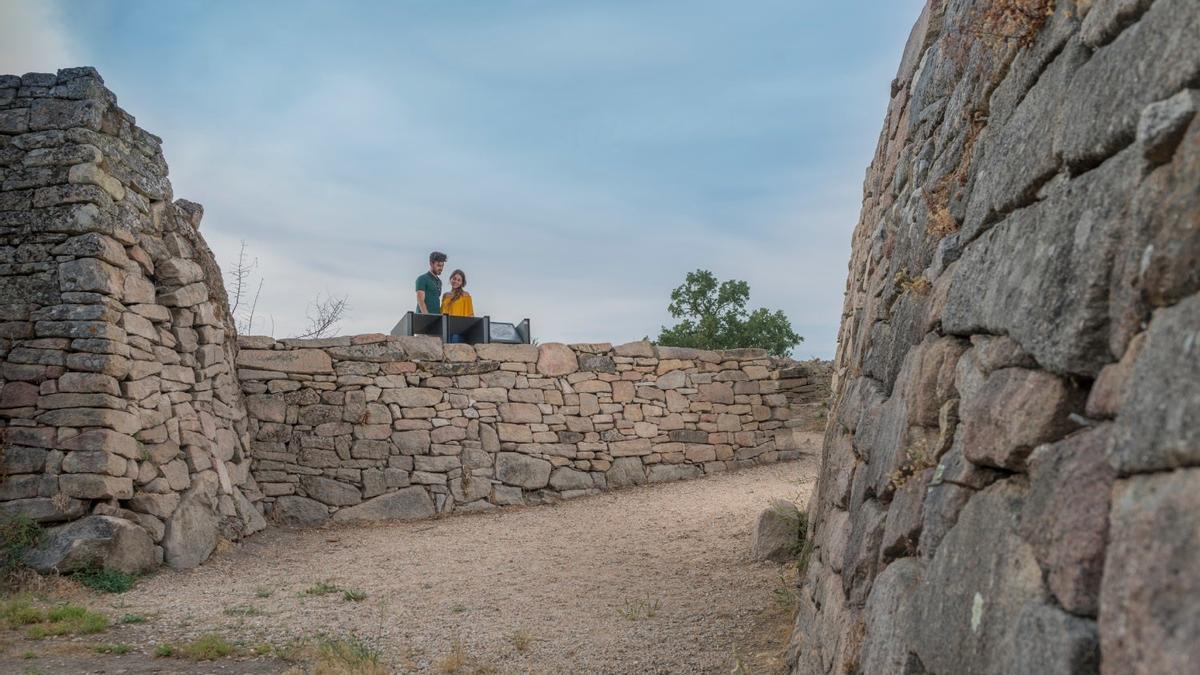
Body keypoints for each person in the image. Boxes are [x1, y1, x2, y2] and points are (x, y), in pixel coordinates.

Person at [441, 269, 474, 343]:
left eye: (459, 280)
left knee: (455, 339)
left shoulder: (466, 295)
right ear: (451, 279)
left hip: (460, 330)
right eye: (454, 278)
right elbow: (442, 313)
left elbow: (470, 314)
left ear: (462, 283)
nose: (456, 281)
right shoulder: (445, 295)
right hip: (447, 329)